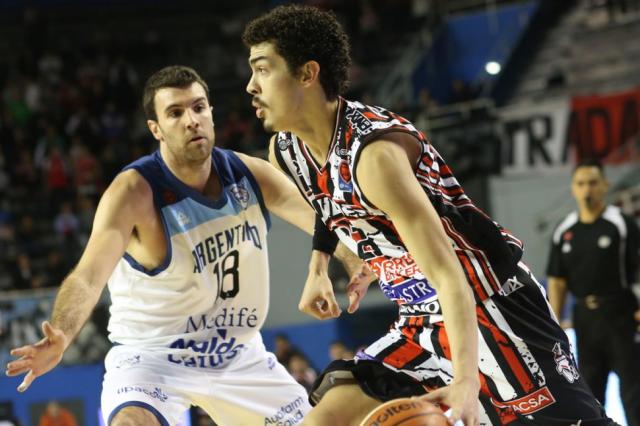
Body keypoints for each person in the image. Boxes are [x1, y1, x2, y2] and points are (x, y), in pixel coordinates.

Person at [242, 5, 617, 425]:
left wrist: (465, 381)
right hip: (419, 320)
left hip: (490, 305)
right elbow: (325, 200)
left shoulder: (375, 157)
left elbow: (449, 274)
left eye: (263, 69)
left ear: (307, 74)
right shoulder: (287, 150)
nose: (250, 86)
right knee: (327, 419)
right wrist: (320, 264)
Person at [5, 65, 371, 426]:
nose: (191, 120)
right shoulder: (133, 192)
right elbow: (87, 276)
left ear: (211, 112)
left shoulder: (247, 174)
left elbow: (322, 217)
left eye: (198, 107)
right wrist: (63, 332)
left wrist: (352, 259)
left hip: (239, 356)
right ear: (156, 129)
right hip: (154, 357)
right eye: (175, 113)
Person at [547, 159, 640, 426]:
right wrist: (554, 322)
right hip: (585, 319)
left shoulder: (621, 224)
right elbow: (557, 279)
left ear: (605, 186)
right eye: (581, 184)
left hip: (621, 314)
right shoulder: (565, 230)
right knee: (589, 394)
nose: (587, 189)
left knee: (633, 391)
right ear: (573, 189)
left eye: (592, 183)